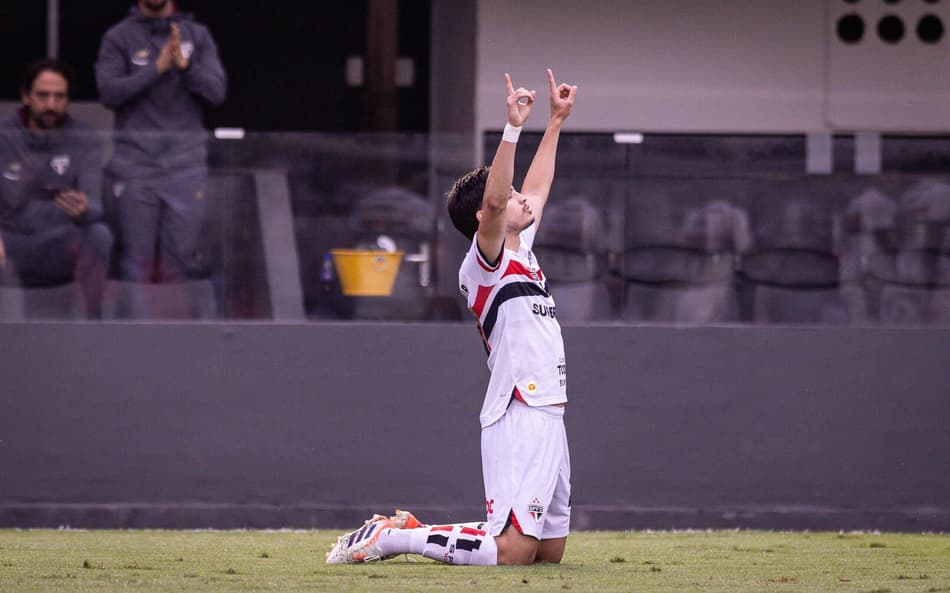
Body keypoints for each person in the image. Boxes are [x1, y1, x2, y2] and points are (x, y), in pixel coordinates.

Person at [326, 69, 577, 566]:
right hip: (519, 411)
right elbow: (498, 198)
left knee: (547, 552)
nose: (526, 200)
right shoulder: (485, 264)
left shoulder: (520, 247)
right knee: (511, 553)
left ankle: (411, 528)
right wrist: (512, 129)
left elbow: (538, 186)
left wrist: (555, 121)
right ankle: (392, 539)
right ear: (488, 215)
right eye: (510, 198)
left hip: (550, 409)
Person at [95, 0, 226, 298]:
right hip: (135, 167)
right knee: (134, 265)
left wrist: (186, 67)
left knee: (180, 265)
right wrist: (157, 68)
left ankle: (179, 343)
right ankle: (132, 342)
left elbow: (216, 93)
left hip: (185, 167)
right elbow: (109, 93)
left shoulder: (198, 36)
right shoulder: (118, 37)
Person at [0, 59, 114, 318]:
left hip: (58, 240)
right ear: (26, 97)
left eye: (59, 97)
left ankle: (93, 324)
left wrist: (84, 209)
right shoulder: (3, 135)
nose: (51, 105)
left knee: (99, 234)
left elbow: (96, 206)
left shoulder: (83, 137)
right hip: (11, 240)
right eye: (42, 95)